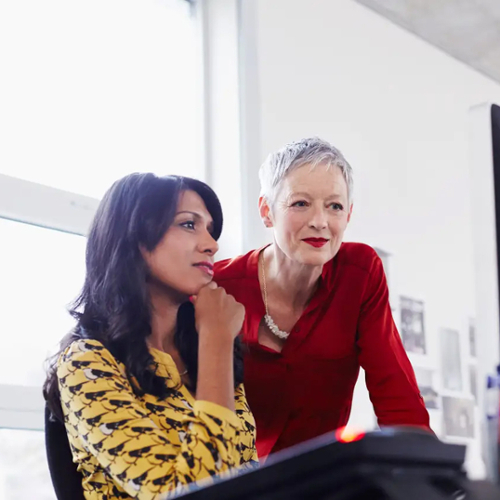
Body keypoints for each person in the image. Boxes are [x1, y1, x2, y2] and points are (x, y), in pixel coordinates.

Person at [214, 137, 431, 460]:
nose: (320, 221)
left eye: (335, 206)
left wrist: (424, 476)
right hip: (234, 483)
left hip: (320, 481)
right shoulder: (217, 288)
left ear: (349, 214)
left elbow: (395, 392)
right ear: (266, 211)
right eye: (300, 203)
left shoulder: (360, 274)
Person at [43, 174, 257, 499]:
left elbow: (247, 476)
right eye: (189, 225)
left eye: (210, 230)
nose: (211, 245)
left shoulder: (203, 351)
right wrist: (217, 340)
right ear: (136, 238)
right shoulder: (86, 362)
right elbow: (184, 494)